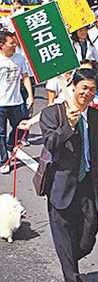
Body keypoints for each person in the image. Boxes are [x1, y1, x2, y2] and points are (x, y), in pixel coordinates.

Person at [39, 68, 98, 282]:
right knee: (64, 245)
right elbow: (50, 143)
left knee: (87, 238)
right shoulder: (52, 114)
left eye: (92, 90)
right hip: (60, 189)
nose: (87, 94)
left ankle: (71, 264)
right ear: (73, 86)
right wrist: (69, 125)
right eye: (84, 88)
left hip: (88, 186)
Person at [0, 30, 33, 174]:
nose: (14, 45)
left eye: (14, 42)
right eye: (11, 43)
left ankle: (9, 145)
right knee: (0, 133)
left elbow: (25, 76)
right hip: (1, 104)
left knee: (20, 128)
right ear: (2, 45)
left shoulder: (19, 58)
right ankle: (4, 160)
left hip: (16, 101)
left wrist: (30, 95)